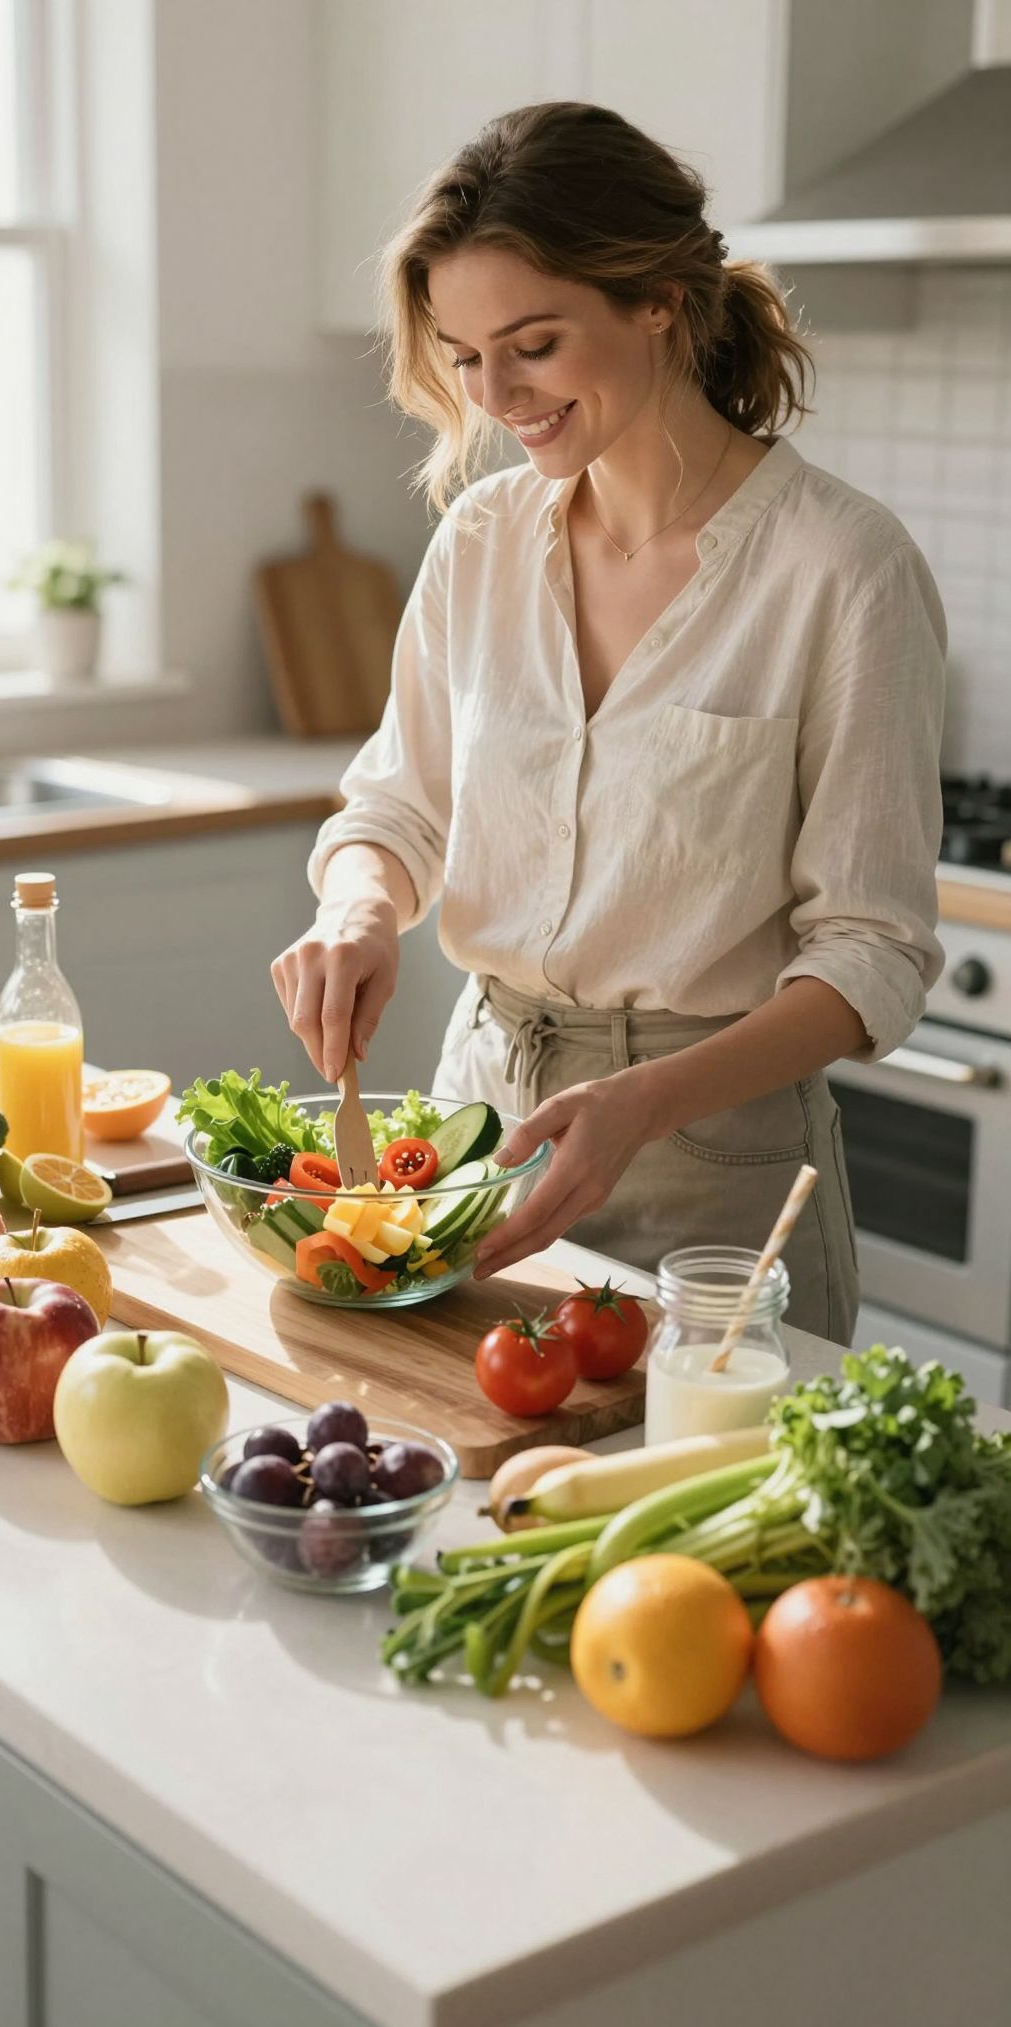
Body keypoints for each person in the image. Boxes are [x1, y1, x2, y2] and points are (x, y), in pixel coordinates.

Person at [271, 101, 946, 1343]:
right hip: (479, 1130)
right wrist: (357, 908)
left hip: (717, 1171)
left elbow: (873, 951)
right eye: (467, 356)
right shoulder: (478, 540)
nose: (497, 394)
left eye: (533, 341)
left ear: (659, 302)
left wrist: (647, 1096)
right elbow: (397, 806)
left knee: (690, 1530)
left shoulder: (842, 568)